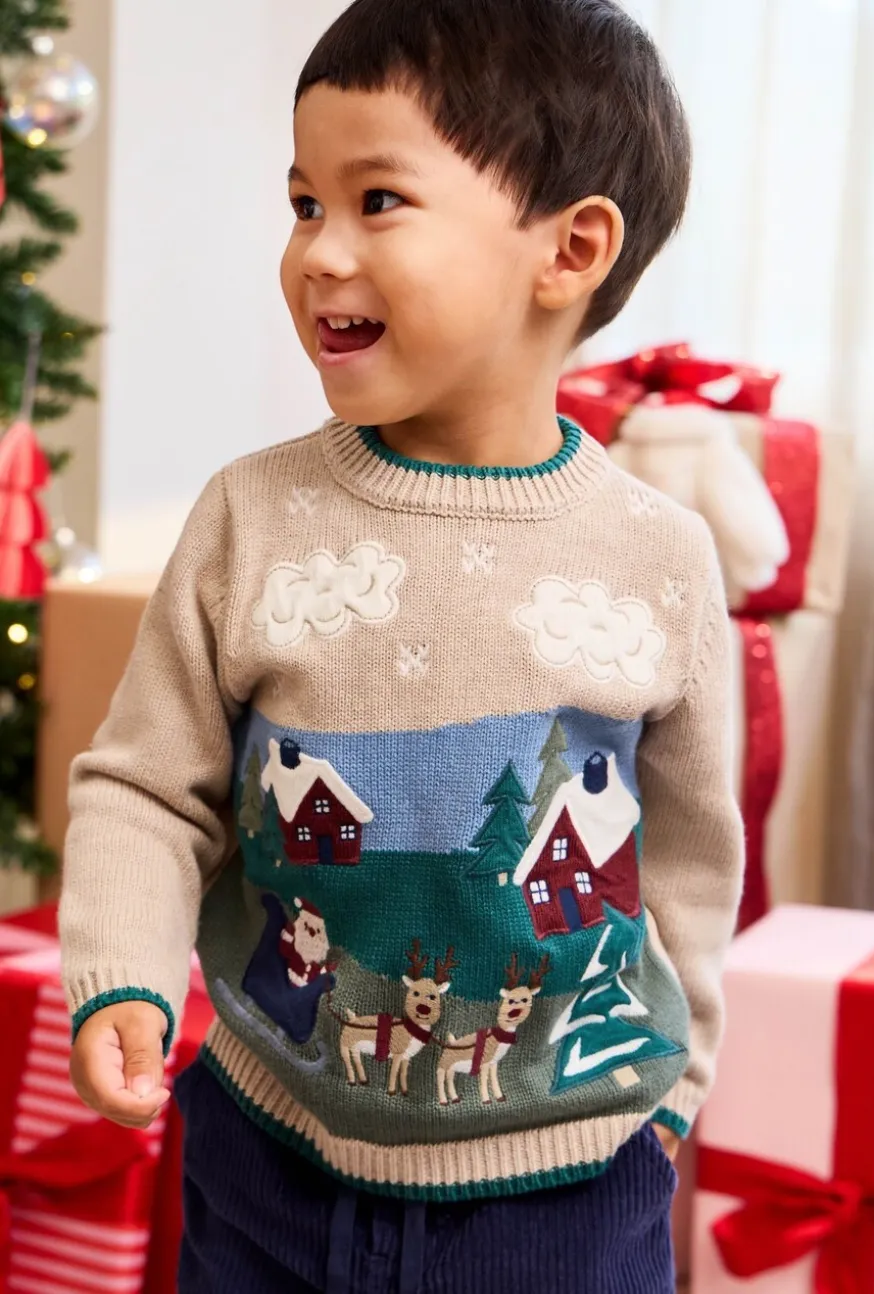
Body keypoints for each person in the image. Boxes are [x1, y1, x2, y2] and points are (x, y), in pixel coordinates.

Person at [61, 1, 743, 1289]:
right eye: (302, 203)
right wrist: (122, 978)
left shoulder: (659, 557)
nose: (317, 252)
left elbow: (692, 858)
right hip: (268, 1161)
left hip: (568, 1202)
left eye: (376, 200)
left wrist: (674, 1095)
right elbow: (147, 789)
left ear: (570, 249)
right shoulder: (249, 517)